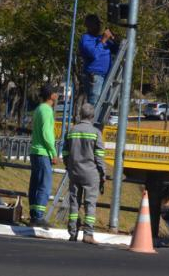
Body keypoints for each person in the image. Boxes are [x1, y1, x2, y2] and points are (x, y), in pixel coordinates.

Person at [62, 103, 106, 244]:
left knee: (74, 203)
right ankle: (88, 234)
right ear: (92, 116)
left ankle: (72, 232)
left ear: (80, 115)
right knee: (90, 204)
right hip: (90, 174)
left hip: (74, 172)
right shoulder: (96, 133)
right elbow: (99, 157)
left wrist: (69, 166)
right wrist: (103, 173)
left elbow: (65, 152)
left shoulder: (71, 131)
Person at [28, 83, 58, 228]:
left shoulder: (38, 109)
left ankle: (33, 214)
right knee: (44, 185)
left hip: (35, 151)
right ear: (51, 95)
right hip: (43, 152)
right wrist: (53, 152)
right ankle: (39, 217)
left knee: (35, 184)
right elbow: (47, 134)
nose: (57, 95)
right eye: (56, 93)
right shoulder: (47, 110)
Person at [80, 14, 116, 106]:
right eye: (96, 24)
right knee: (95, 104)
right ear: (89, 25)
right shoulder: (86, 38)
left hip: (106, 76)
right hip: (95, 76)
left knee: (104, 105)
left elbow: (116, 49)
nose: (99, 26)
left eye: (99, 24)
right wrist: (103, 41)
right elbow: (94, 54)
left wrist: (114, 39)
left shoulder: (100, 38)